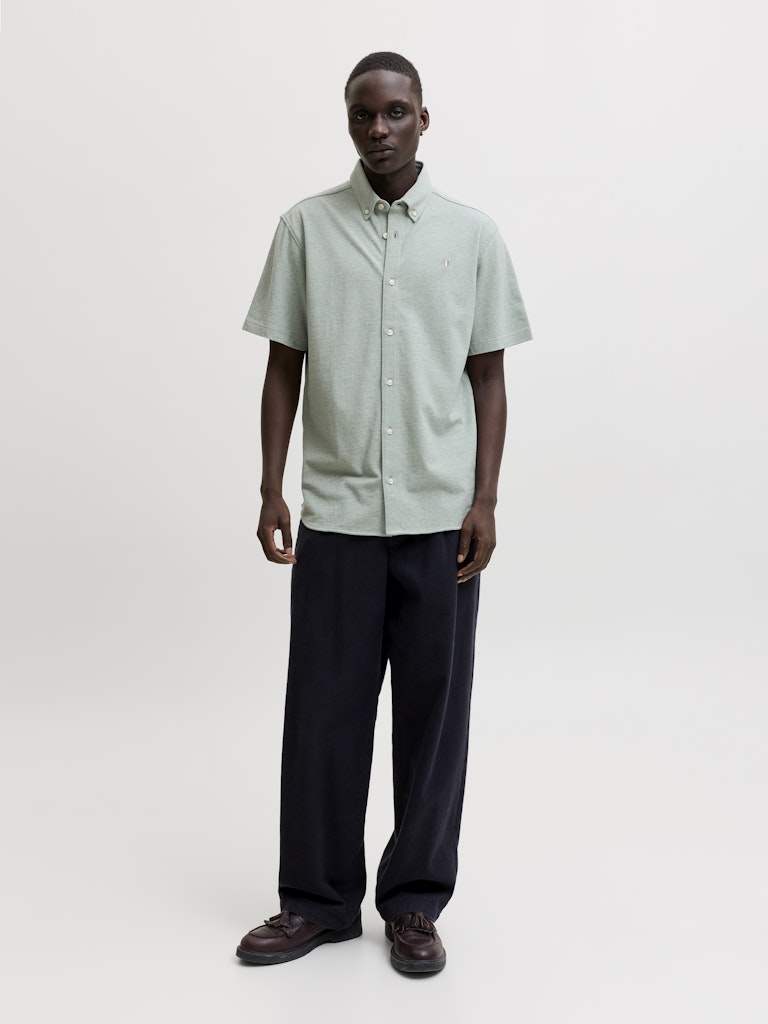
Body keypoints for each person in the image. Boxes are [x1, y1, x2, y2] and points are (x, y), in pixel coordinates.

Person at [235, 51, 532, 974]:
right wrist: (271, 486)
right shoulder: (306, 228)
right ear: (348, 121)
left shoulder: (473, 236)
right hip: (339, 516)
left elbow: (489, 376)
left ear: (423, 118)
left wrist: (485, 499)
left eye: (396, 112)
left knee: (434, 721)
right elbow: (283, 365)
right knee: (323, 715)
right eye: (364, 114)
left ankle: (413, 904)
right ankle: (317, 902)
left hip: (442, 519)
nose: (379, 129)